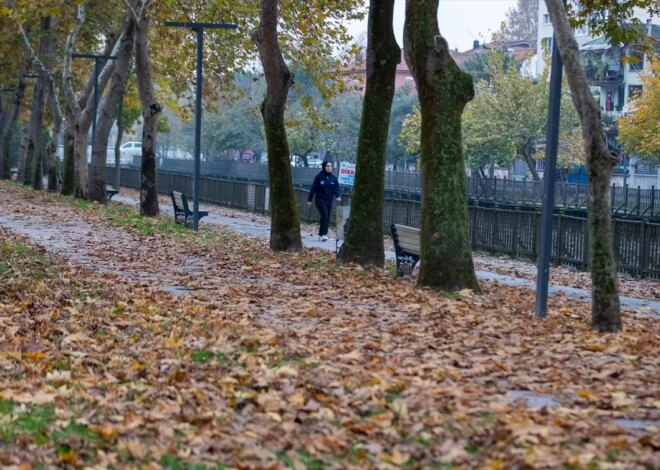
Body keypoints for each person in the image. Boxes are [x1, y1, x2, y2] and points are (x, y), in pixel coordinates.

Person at [307, 160, 341, 241]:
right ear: (324, 167)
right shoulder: (318, 177)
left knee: (326, 217)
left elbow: (337, 189)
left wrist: (338, 196)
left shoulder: (334, 178)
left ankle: (321, 234)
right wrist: (309, 200)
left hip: (329, 201)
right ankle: (325, 235)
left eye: (330, 166)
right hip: (320, 200)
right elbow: (313, 189)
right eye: (327, 166)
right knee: (325, 216)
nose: (329, 168)